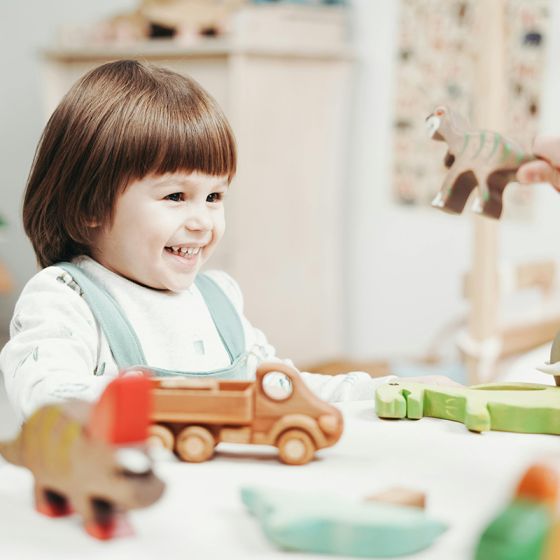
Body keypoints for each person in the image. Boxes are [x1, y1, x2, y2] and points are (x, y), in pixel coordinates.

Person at [0, 60, 454, 421]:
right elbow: (45, 399)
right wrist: (188, 400)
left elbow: (281, 389)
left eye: (214, 197)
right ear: (90, 207)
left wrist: (385, 391)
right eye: (175, 196)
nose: (202, 222)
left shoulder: (218, 300)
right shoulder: (65, 299)